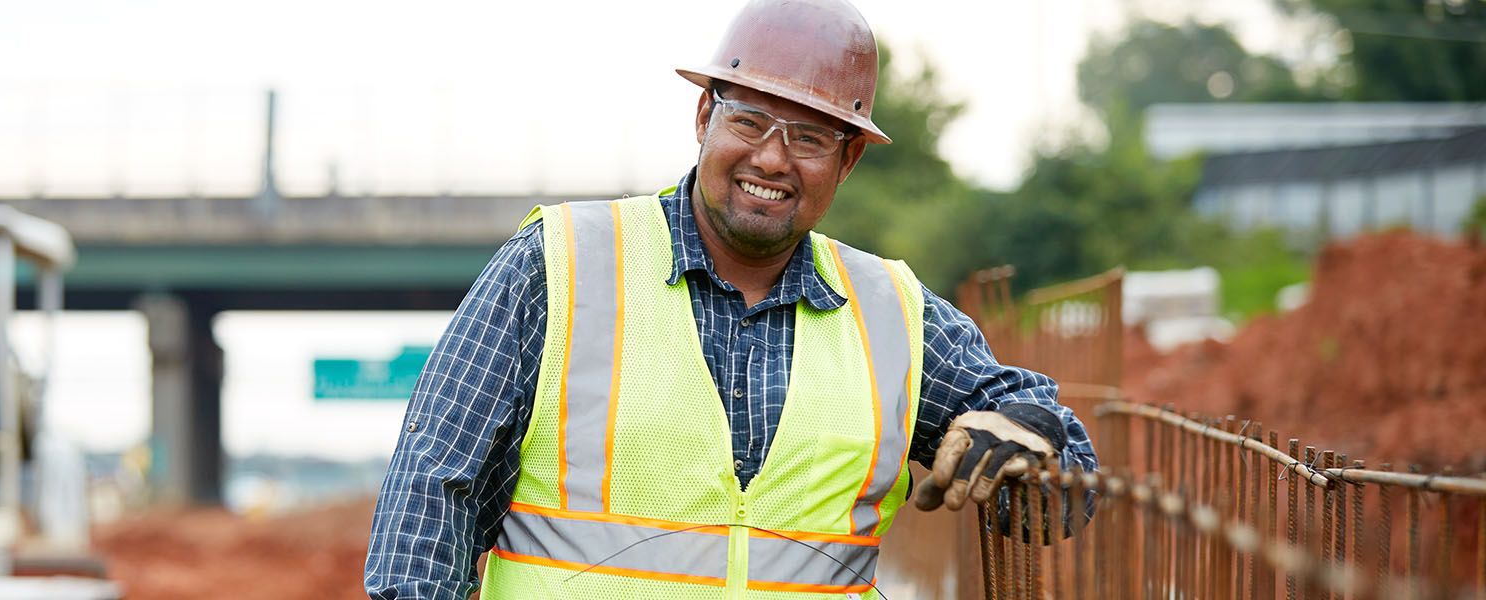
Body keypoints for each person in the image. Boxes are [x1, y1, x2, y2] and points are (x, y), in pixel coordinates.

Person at [364, 0, 1096, 597]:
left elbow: (1056, 478)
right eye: (748, 120)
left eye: (809, 137)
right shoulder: (558, 267)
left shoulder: (892, 315)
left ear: (847, 160)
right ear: (704, 117)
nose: (771, 159)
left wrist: (1033, 437)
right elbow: (432, 497)